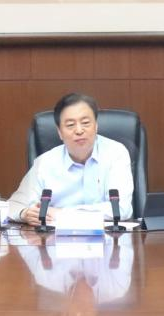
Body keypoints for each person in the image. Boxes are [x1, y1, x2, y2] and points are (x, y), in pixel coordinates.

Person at [8, 93, 134, 223]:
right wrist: (24, 214)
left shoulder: (116, 153)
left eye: (85, 123)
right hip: (55, 235)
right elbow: (14, 205)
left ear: (96, 126)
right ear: (59, 132)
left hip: (107, 235)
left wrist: (60, 213)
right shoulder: (45, 162)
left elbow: (121, 209)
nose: (79, 130)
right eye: (70, 125)